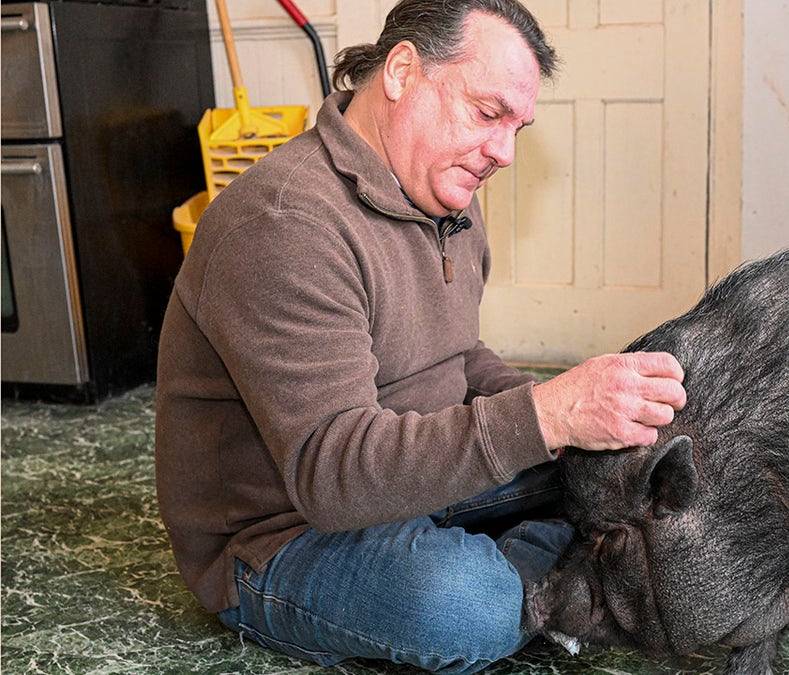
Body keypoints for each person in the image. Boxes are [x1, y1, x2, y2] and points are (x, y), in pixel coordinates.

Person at [153, 1, 686, 672]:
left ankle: (548, 561)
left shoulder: (444, 195)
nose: (505, 152)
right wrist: (547, 415)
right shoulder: (285, 225)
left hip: (412, 470)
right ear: (403, 71)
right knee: (463, 601)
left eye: (518, 127)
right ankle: (556, 569)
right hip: (284, 531)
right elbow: (335, 473)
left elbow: (459, 355)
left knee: (611, 464)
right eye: (488, 114)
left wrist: (565, 411)